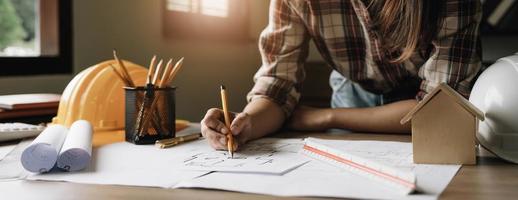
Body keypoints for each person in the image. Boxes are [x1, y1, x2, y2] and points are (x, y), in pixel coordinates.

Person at [201, 0, 482, 150]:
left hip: (422, 104)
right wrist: (247, 122)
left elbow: (440, 108)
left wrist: (326, 117)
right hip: (354, 90)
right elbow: (277, 86)